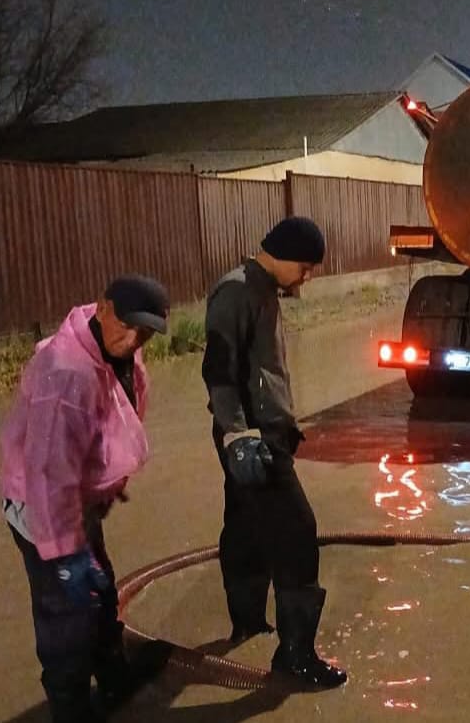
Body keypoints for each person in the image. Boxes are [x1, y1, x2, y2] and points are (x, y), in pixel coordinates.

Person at [0, 275, 170, 723]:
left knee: (101, 590)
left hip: (78, 501)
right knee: (66, 616)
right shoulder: (66, 375)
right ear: (103, 307)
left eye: (146, 332)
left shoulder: (117, 352)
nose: (134, 339)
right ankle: (70, 709)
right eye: (128, 326)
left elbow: (113, 420)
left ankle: (114, 678)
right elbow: (49, 476)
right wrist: (64, 556)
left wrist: (111, 479)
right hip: (42, 512)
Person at [201, 216, 346, 689]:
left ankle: (246, 622)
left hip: (265, 433)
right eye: (305, 266)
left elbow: (263, 371)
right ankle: (296, 656)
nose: (308, 276)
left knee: (245, 525)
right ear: (281, 254)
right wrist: (240, 437)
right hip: (253, 441)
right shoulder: (237, 292)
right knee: (297, 532)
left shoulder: (262, 291)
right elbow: (219, 372)